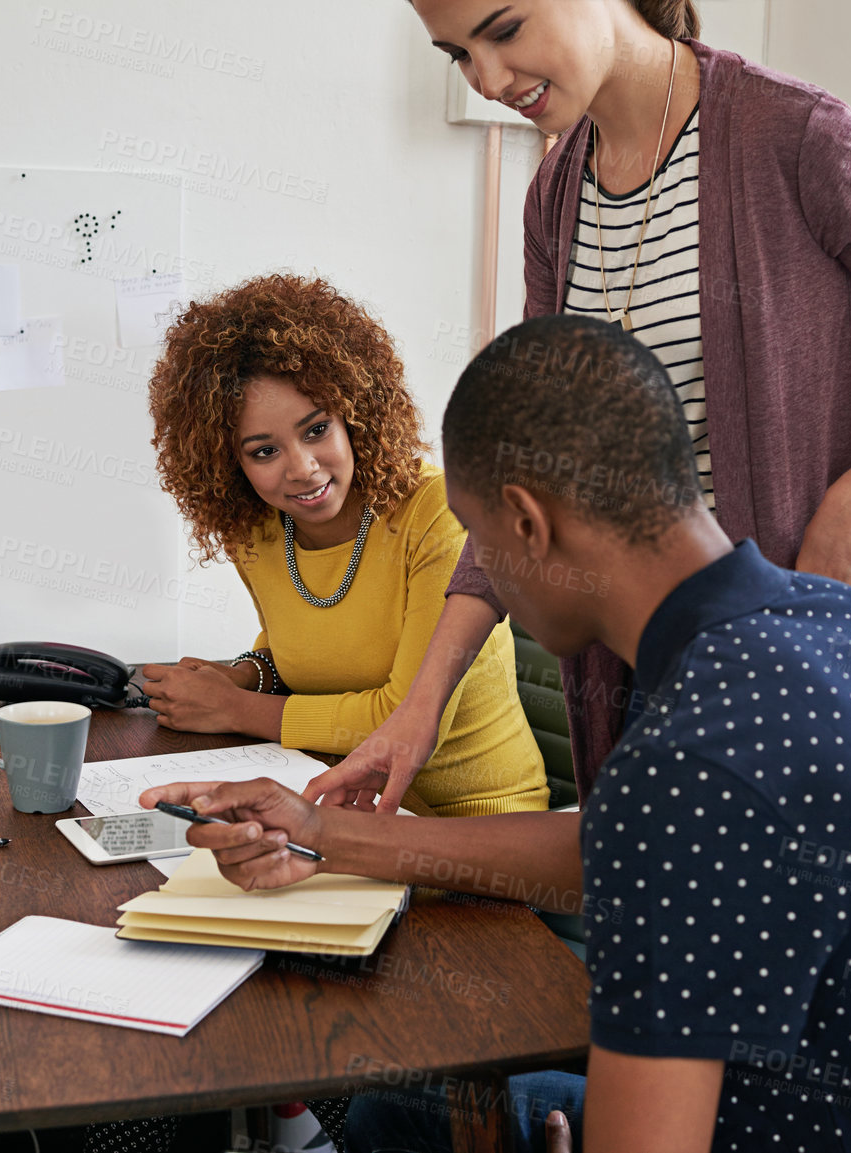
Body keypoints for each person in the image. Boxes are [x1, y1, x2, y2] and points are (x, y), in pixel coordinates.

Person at [141, 316, 851, 1153]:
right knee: (403, 1108)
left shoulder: (689, 757)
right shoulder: (837, 619)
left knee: (407, 1106)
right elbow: (618, 841)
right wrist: (326, 830)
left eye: (477, 541)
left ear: (527, 525)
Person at [306, 0, 851, 816]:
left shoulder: (791, 135)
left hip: (812, 662)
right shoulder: (556, 198)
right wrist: (417, 710)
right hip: (642, 672)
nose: (488, 79)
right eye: (456, 54)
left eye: (504, 30)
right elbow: (525, 457)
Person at [143, 272, 548, 817]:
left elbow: (406, 720)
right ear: (229, 463)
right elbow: (297, 654)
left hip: (475, 824)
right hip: (336, 800)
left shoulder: (439, 514)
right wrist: (242, 675)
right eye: (264, 451)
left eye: (316, 430)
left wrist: (235, 709)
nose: (303, 470)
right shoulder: (258, 531)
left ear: (355, 414)